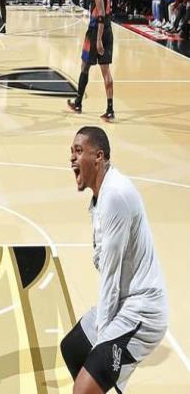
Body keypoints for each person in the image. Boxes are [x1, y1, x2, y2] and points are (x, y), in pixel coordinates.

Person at [62, 126, 167, 394]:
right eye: (71, 151)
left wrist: (104, 340)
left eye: (78, 151)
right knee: (73, 348)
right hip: (124, 301)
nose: (72, 157)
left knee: (82, 390)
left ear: (98, 156)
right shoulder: (100, 197)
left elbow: (110, 276)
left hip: (142, 311)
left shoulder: (115, 196)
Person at [67, 0, 115, 121]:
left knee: (85, 66)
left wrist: (98, 39)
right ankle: (110, 110)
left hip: (96, 31)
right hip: (108, 30)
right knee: (106, 71)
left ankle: (78, 103)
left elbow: (101, 15)